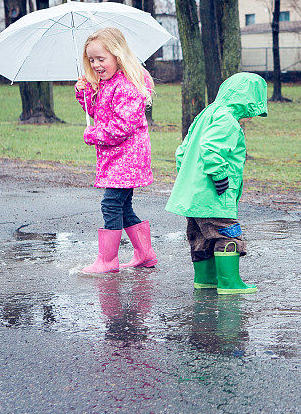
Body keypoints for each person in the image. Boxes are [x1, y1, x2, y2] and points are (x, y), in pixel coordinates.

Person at [165, 73, 267, 294]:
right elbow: (212, 148)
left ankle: (205, 280)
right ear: (247, 102)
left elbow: (182, 151)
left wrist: (189, 178)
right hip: (214, 192)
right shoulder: (228, 120)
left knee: (200, 236)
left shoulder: (207, 114)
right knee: (226, 233)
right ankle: (229, 283)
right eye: (252, 112)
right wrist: (219, 176)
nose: (250, 118)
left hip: (194, 193)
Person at [76, 27, 157, 273]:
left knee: (111, 205)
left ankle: (108, 260)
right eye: (92, 60)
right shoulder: (107, 84)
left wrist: (93, 135)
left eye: (101, 59)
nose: (96, 64)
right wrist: (84, 94)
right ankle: (145, 254)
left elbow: (121, 126)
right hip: (116, 158)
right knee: (123, 207)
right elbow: (97, 113)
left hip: (127, 158)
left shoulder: (127, 86)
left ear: (118, 55)